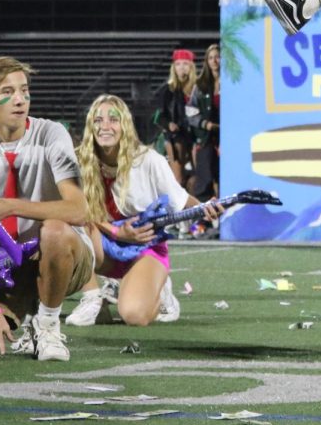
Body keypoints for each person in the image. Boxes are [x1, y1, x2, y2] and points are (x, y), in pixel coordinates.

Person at [65, 95, 221, 328]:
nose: (105, 126)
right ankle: (92, 297)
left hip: (143, 247)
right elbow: (76, 210)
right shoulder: (79, 161)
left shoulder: (148, 160)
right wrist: (116, 233)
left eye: (113, 120)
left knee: (134, 316)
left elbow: (179, 197)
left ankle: (160, 292)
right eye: (98, 120)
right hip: (104, 247)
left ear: (125, 125)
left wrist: (203, 207)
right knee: (68, 224)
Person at [0, 57, 94, 361]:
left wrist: (10, 207)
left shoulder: (51, 134)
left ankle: (48, 325)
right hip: (4, 269)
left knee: (54, 230)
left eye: (24, 90)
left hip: (58, 255)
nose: (19, 99)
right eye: (8, 91)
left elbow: (78, 210)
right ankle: (19, 316)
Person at [157, 49, 197, 188]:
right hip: (176, 136)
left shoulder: (197, 89)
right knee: (177, 180)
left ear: (191, 67)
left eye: (185, 64)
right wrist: (169, 124)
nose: (181, 67)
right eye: (178, 64)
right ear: (174, 67)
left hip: (195, 135)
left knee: (198, 178)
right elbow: (159, 116)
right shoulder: (167, 90)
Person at [189, 44, 221, 207]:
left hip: (227, 137)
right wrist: (204, 124)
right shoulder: (200, 85)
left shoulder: (234, 82)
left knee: (224, 178)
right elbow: (190, 111)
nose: (214, 61)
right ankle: (203, 222)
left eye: (217, 56)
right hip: (206, 137)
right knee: (204, 179)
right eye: (210, 58)